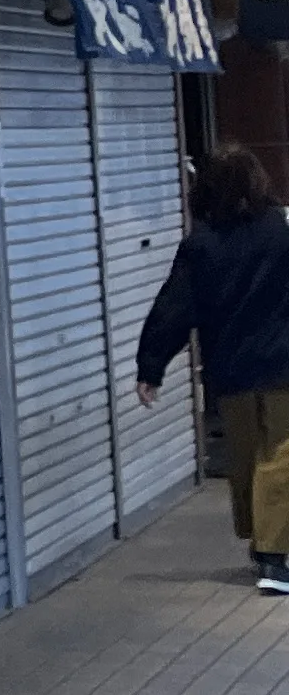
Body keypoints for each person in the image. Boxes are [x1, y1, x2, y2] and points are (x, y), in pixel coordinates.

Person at [138, 144, 289, 590]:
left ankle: (264, 545)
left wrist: (151, 367)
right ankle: (274, 556)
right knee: (279, 456)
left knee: (245, 460)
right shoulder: (280, 232)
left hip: (231, 371)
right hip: (283, 366)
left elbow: (174, 307)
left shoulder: (201, 244)